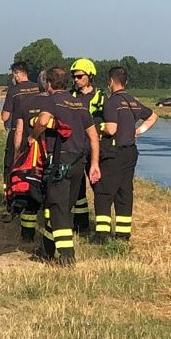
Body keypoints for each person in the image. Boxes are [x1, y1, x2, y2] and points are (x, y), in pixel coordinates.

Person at [29, 68, 100, 265]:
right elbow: (93, 136)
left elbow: (42, 121)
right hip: (79, 163)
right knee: (62, 207)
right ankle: (47, 250)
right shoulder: (79, 103)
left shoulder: (52, 101)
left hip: (59, 162)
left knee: (58, 209)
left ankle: (67, 256)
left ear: (49, 84)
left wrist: (33, 136)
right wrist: (94, 164)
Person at [97, 65, 157, 241]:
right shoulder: (132, 101)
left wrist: (96, 128)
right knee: (125, 192)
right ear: (126, 82)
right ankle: (123, 234)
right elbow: (153, 116)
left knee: (104, 191)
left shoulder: (111, 101)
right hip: (130, 152)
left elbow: (111, 129)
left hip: (113, 152)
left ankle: (102, 234)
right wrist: (139, 131)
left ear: (110, 82)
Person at [7, 67, 57, 242]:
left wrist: (17, 155)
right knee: (51, 193)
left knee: (30, 192)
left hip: (30, 155)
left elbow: (18, 131)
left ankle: (27, 235)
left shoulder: (26, 103)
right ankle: (49, 231)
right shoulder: (55, 103)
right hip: (51, 153)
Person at [68, 59, 107, 234]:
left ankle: (101, 228)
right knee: (78, 189)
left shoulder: (103, 98)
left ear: (90, 76)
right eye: (73, 77)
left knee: (100, 187)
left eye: (79, 76)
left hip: (96, 149)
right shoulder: (71, 97)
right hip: (76, 148)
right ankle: (80, 225)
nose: (76, 80)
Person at [0, 61, 40, 189]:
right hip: (37, 132)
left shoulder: (13, 91)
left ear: (16, 74)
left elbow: (5, 116)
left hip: (18, 131)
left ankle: (9, 190)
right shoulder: (38, 87)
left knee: (11, 163)